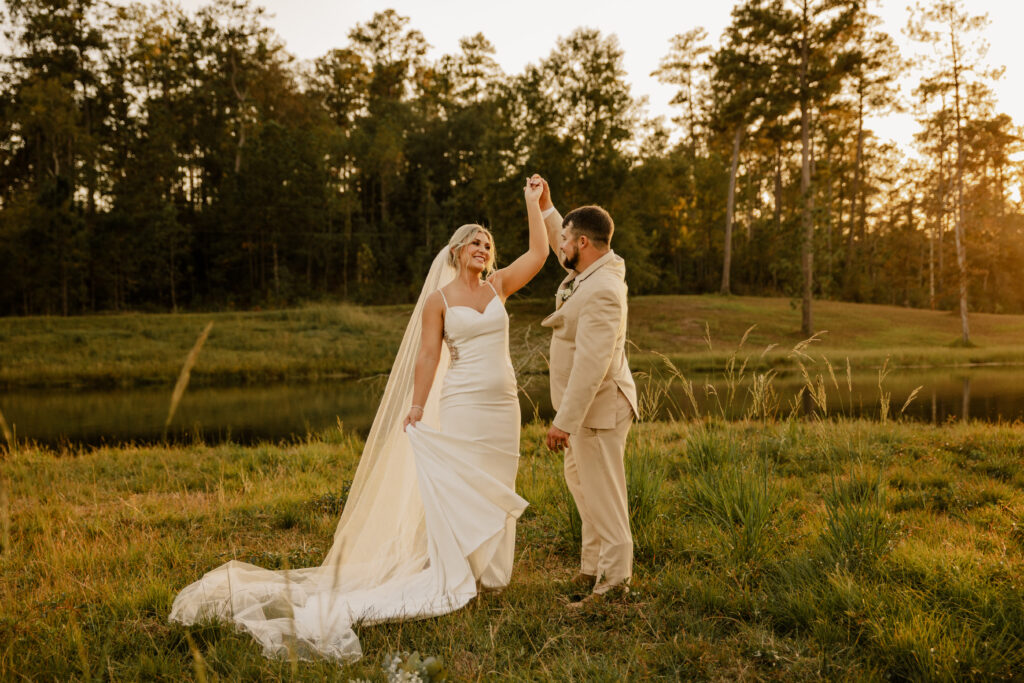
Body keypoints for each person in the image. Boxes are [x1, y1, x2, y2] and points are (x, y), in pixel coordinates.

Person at [169, 178, 549, 661]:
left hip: (503, 405)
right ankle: (454, 569)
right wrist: (416, 405)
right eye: (474, 241)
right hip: (463, 403)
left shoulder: (499, 287)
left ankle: (490, 571)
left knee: (497, 479)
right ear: (456, 251)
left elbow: (538, 253)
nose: (483, 247)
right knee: (461, 487)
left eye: (488, 243)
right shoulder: (440, 300)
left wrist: (533, 204)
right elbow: (428, 357)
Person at [534, 175, 639, 605]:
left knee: (605, 497)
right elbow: (564, 235)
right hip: (586, 412)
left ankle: (614, 586)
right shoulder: (594, 268)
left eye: (565, 240)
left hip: (598, 410)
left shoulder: (604, 290)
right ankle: (592, 569)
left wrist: (564, 422)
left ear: (583, 244)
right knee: (585, 489)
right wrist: (547, 207)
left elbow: (593, 365)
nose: (560, 246)